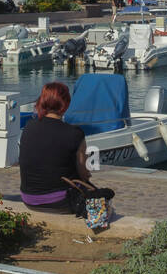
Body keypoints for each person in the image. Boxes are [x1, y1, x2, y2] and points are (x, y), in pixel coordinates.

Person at [18, 82, 113, 215]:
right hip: (59, 201)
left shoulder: (29, 127)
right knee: (105, 201)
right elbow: (83, 172)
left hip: (28, 198)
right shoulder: (75, 133)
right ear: (65, 104)